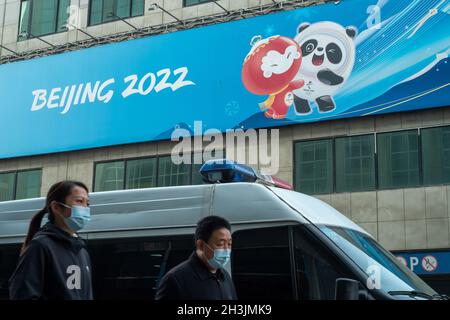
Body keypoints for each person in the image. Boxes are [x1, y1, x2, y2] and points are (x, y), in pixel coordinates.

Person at [9, 180, 93, 300]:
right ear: (56, 207)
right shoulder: (40, 246)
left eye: (87, 204)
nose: (85, 209)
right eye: (79, 201)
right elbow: (23, 294)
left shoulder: (82, 251)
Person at [155, 215, 237, 300]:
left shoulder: (224, 276)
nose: (226, 250)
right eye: (220, 244)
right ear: (201, 245)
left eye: (229, 244)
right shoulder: (175, 279)